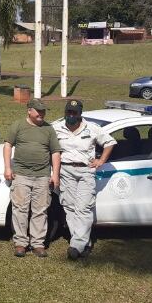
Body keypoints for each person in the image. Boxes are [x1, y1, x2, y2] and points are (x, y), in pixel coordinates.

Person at [54, 100, 115, 261]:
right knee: (69, 207)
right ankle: (83, 243)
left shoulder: (92, 128)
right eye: (68, 112)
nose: (71, 115)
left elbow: (110, 142)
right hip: (65, 170)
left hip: (86, 171)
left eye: (74, 113)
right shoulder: (57, 128)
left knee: (83, 208)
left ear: (80, 114)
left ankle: (76, 245)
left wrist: (101, 161)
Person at [3, 98, 62, 258]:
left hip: (42, 176)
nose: (42, 114)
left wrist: (55, 174)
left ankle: (37, 243)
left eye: (43, 111)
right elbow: (8, 145)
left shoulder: (49, 129)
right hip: (21, 174)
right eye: (38, 111)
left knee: (40, 211)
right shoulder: (18, 125)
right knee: (20, 209)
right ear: (29, 110)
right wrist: (8, 167)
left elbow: (55, 152)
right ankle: (21, 243)